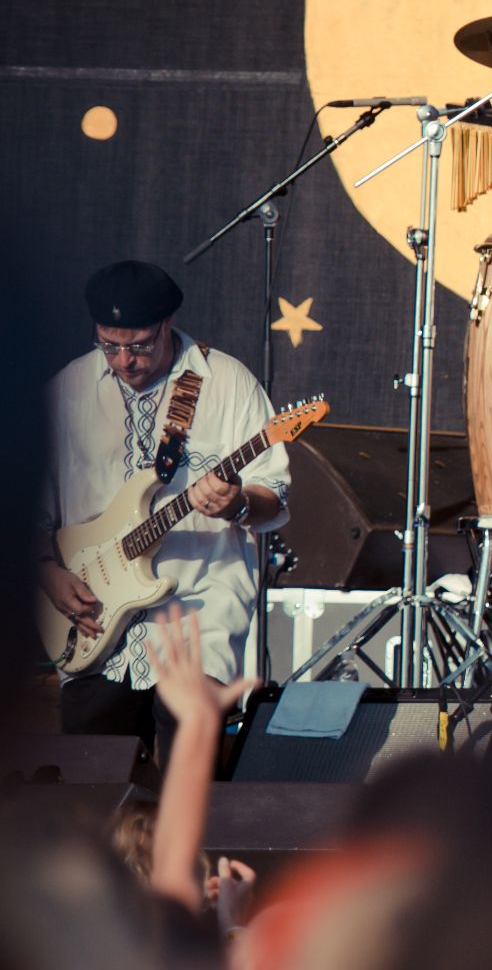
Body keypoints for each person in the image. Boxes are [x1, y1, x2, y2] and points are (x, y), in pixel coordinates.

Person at [38, 260, 290, 764]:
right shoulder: (66, 391)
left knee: (186, 776)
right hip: (94, 616)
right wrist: (46, 573)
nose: (124, 360)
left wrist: (238, 502)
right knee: (92, 787)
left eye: (139, 345)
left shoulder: (226, 382)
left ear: (167, 326)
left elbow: (274, 494)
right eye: (110, 346)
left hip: (198, 606)